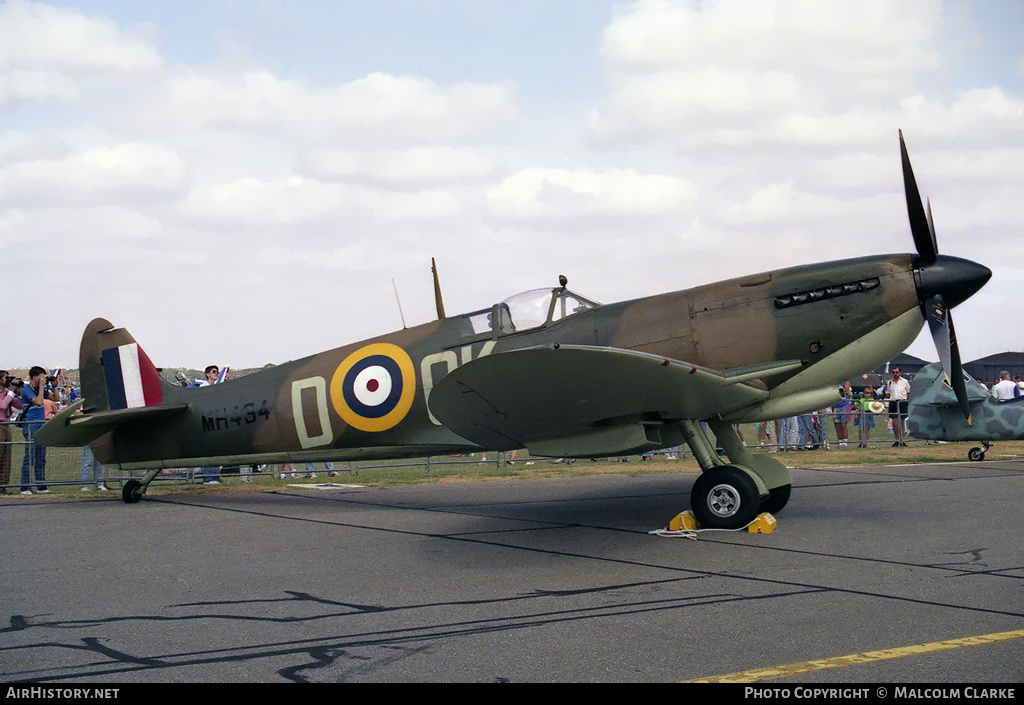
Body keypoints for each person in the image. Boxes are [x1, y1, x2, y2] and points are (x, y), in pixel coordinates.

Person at [20, 366, 49, 494]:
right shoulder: (27, 389)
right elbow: (38, 402)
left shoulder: (39, 389)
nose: (43, 379)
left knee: (41, 457)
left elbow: (57, 398)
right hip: (31, 425)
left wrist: (53, 386)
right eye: (42, 376)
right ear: (35, 377)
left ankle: (41, 486)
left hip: (41, 425)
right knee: (30, 457)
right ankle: (24, 487)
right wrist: (41, 387)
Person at [884, 366, 911, 447]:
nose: (895, 374)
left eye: (896, 372)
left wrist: (906, 401)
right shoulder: (889, 382)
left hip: (902, 402)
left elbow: (908, 392)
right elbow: (889, 393)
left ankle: (902, 440)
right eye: (893, 372)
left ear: (900, 373)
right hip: (893, 402)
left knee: (902, 421)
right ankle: (897, 439)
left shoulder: (905, 381)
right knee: (894, 422)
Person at [0, 371, 15, 494]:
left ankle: (3, 485)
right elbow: (3, 405)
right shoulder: (5, 394)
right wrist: (10, 393)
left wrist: (17, 392)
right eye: (5, 377)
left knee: (6, 456)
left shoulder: (7, 393)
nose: (7, 379)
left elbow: (20, 406)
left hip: (6, 425)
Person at [833, 383, 852, 448]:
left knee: (843, 425)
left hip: (844, 405)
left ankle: (845, 442)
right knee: (837, 425)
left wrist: (836, 390)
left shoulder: (846, 381)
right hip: (836, 406)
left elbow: (846, 391)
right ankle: (840, 442)